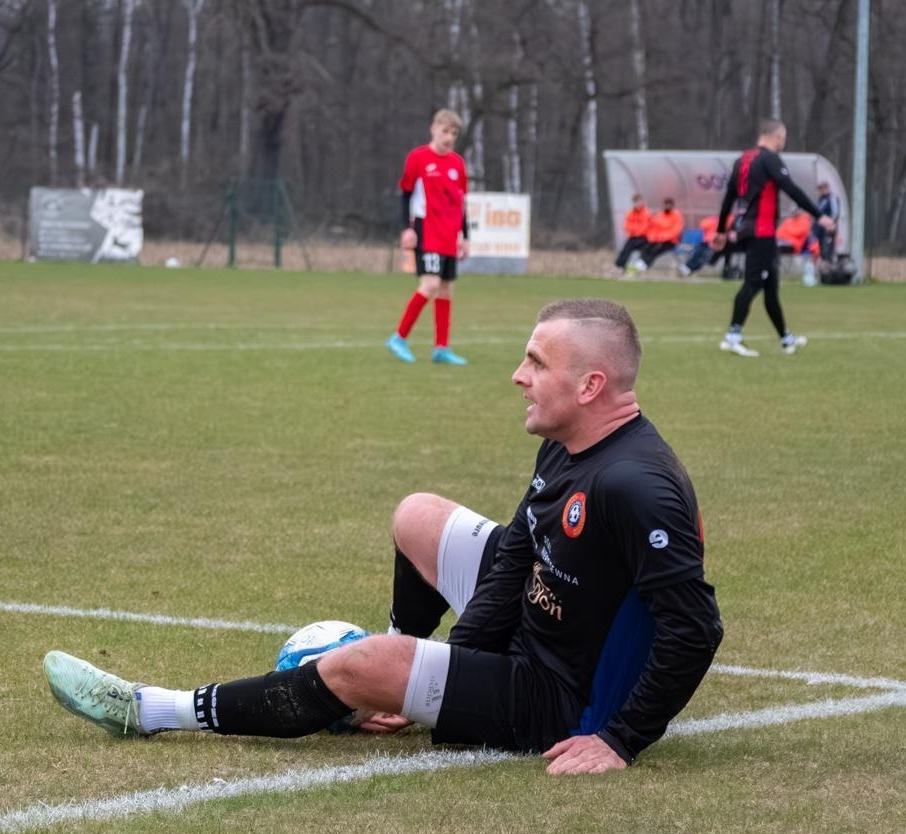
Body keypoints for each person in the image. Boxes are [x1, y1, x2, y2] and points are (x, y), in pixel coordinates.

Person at [46, 299, 723, 775]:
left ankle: (149, 709)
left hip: (561, 694)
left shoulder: (637, 485)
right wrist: (448, 665)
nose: (519, 375)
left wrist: (618, 737)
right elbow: (519, 551)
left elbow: (696, 626)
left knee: (360, 665)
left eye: (536, 363)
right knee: (416, 516)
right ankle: (405, 675)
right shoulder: (570, 443)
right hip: (536, 624)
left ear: (591, 384)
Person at [712, 119, 837, 357]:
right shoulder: (769, 159)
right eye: (783, 138)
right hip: (762, 232)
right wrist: (819, 216)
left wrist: (720, 230)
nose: (783, 142)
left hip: (749, 230)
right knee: (753, 282)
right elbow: (791, 189)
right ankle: (733, 335)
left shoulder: (742, 160)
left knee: (771, 287)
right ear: (776, 136)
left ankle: (785, 338)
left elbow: (728, 198)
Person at [386, 109, 470, 366]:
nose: (449, 137)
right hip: (428, 231)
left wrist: (464, 236)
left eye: (454, 134)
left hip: (448, 235)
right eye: (445, 131)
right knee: (430, 285)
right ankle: (399, 337)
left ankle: (441, 348)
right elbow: (406, 194)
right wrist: (406, 228)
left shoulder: (457, 164)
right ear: (433, 129)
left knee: (446, 289)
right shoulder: (418, 158)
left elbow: (460, 202)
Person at [636, 197, 685, 270]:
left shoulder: (677, 216)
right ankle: (640, 263)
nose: (667, 206)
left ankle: (645, 265)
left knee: (656, 250)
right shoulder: (660, 215)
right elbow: (653, 227)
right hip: (657, 239)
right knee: (646, 247)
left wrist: (662, 237)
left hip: (671, 241)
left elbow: (675, 231)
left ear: (672, 206)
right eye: (666, 205)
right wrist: (652, 238)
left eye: (669, 205)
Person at [613, 192, 652, 273]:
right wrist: (636, 229)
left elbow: (644, 228)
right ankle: (619, 266)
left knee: (647, 249)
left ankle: (641, 267)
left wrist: (634, 228)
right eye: (636, 202)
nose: (638, 203)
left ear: (642, 202)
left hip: (644, 238)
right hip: (633, 237)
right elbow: (626, 226)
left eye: (639, 201)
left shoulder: (646, 212)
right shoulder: (630, 213)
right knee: (625, 248)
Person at [813, 180, 838, 264]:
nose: (821, 191)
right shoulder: (820, 199)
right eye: (820, 189)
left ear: (827, 188)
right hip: (820, 230)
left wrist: (831, 224)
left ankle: (829, 268)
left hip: (828, 229)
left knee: (828, 250)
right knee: (822, 250)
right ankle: (824, 268)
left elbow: (835, 213)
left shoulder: (832, 198)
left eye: (822, 188)